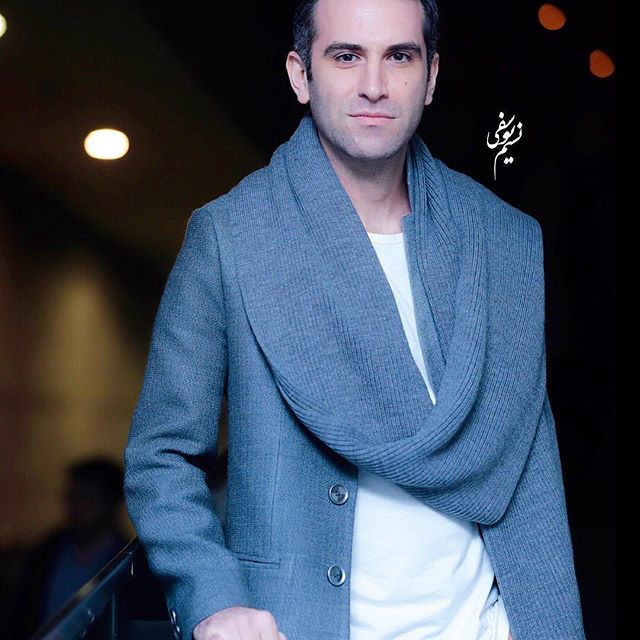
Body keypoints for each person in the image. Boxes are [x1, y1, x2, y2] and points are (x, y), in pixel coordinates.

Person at [123, 1, 586, 639]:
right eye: (346, 56)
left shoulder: (501, 238)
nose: (374, 84)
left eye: (399, 56)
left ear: (430, 76)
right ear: (301, 74)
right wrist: (212, 599)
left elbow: (529, 461)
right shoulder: (232, 237)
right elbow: (162, 457)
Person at [12, 456, 129, 638]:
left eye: (86, 498)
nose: (76, 507)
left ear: (110, 503)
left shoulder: (128, 565)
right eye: (71, 497)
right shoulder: (46, 553)